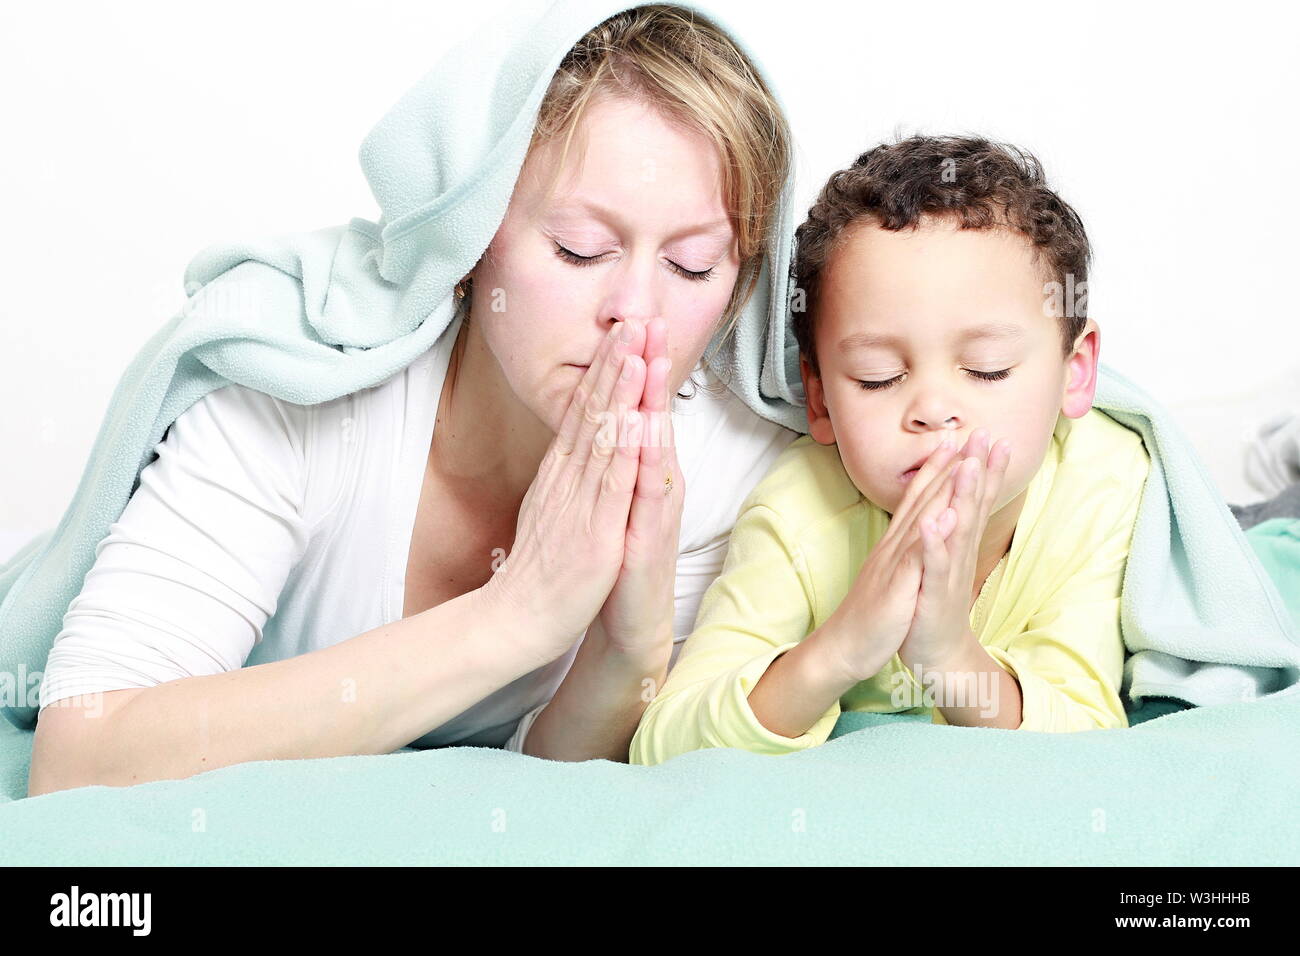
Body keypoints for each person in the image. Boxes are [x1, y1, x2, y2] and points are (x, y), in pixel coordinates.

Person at [26, 2, 798, 795]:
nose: (636, 312)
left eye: (695, 265)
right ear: (468, 239)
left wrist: (626, 654)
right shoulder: (303, 395)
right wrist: (511, 617)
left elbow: (547, 784)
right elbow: (80, 759)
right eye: (580, 248)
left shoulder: (727, 471)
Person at [630, 135, 1153, 765]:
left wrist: (949, 657)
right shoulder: (800, 508)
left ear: (1075, 373)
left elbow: (1093, 741)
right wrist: (841, 647)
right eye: (877, 376)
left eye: (986, 369)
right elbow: (664, 745)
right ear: (818, 397)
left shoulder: (1104, 482)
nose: (933, 410)